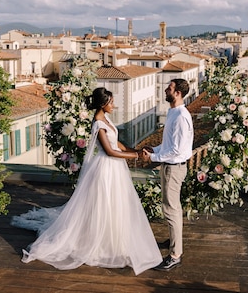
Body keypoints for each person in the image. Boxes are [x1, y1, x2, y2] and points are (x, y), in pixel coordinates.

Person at [11, 87, 162, 275]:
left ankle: (115, 241)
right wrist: (136, 156)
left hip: (115, 168)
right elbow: (109, 151)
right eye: (112, 102)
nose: (114, 105)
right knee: (103, 204)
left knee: (115, 205)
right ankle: (99, 242)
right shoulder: (98, 123)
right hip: (106, 168)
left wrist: (134, 150)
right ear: (103, 103)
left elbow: (117, 143)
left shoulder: (106, 119)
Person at [142, 78, 194, 271]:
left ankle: (175, 255)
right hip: (170, 166)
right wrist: (154, 149)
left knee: (171, 209)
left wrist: (153, 157)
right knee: (172, 208)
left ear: (178, 93)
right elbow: (168, 145)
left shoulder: (181, 116)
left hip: (174, 167)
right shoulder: (173, 112)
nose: (165, 90)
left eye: (169, 88)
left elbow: (177, 150)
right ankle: (174, 242)